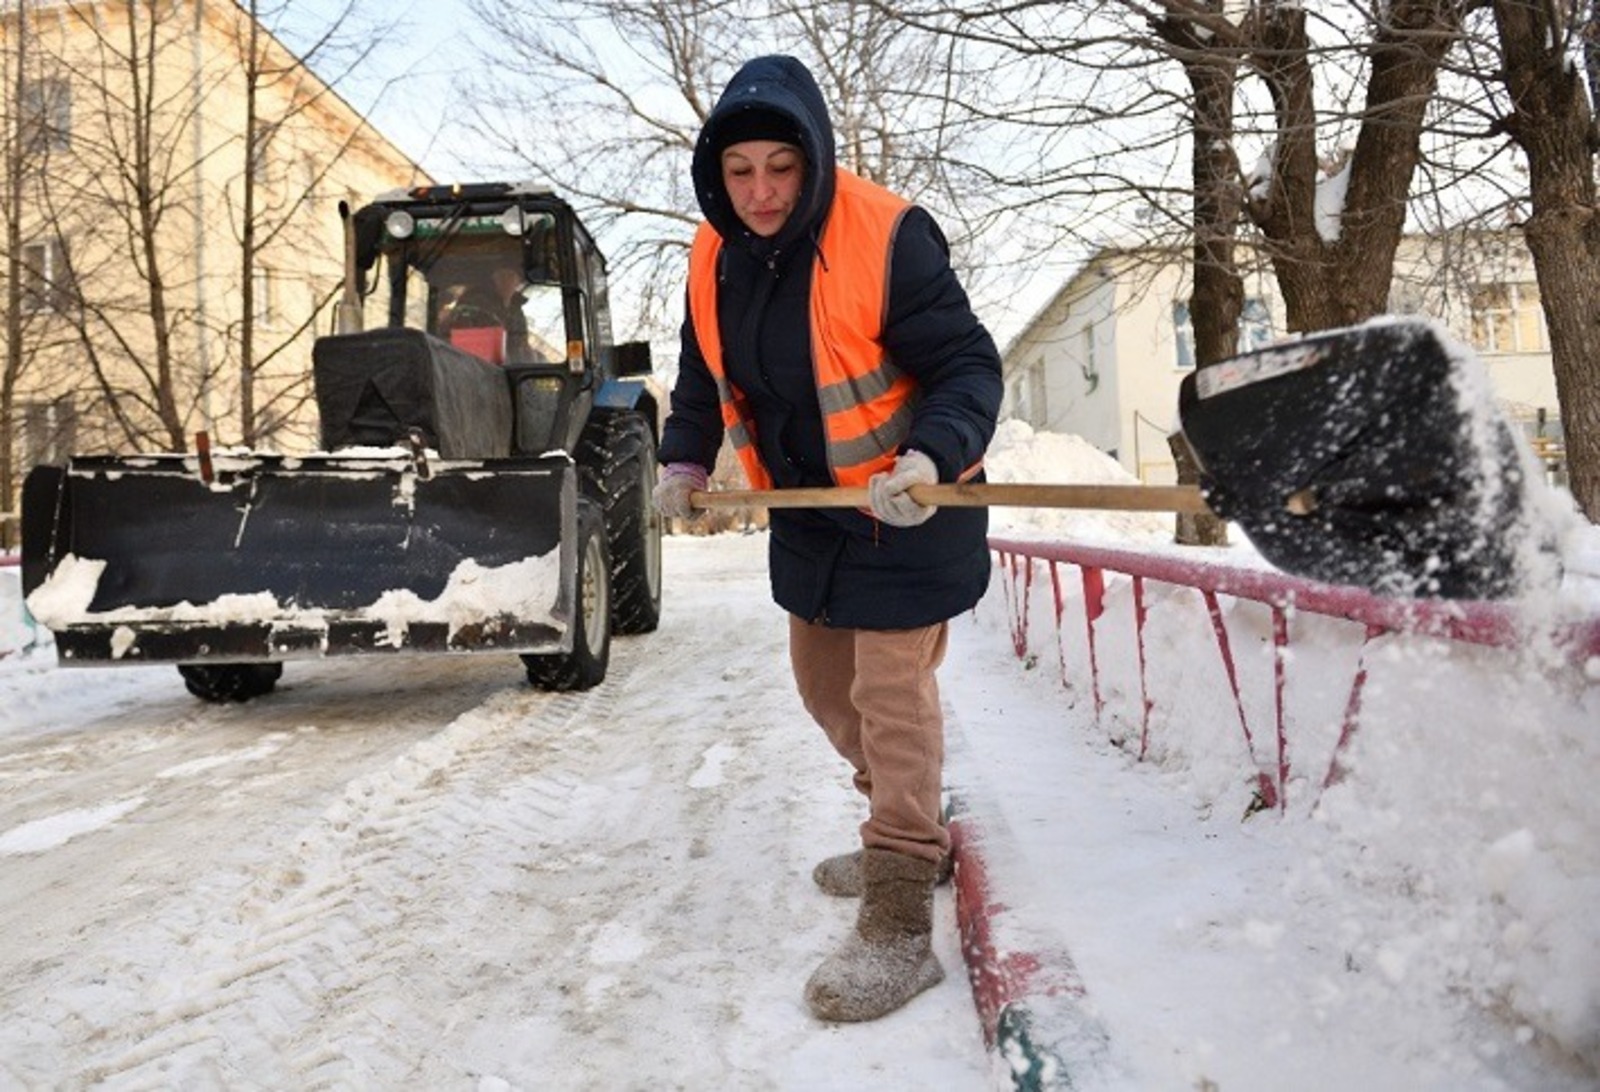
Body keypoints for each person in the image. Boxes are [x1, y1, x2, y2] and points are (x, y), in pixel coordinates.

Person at [654, 55, 1002, 1023]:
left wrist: (932, 458)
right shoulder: (710, 258)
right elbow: (698, 378)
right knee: (821, 687)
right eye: (741, 173)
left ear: (812, 161)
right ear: (716, 177)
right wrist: (684, 462)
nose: (761, 192)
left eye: (780, 167)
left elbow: (968, 364)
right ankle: (912, 823)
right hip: (811, 519)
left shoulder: (889, 237)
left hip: (909, 510)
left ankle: (899, 912)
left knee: (891, 694)